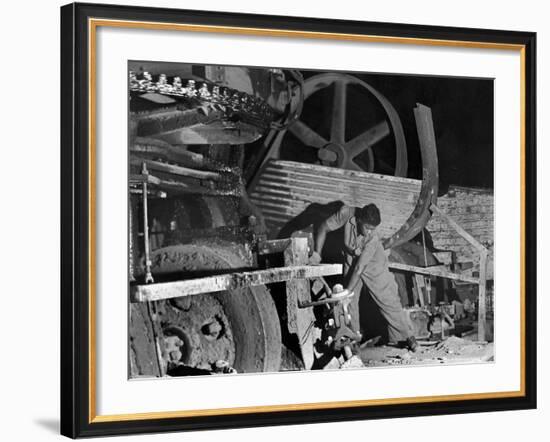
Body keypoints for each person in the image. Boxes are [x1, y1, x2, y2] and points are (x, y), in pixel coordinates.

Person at [310, 203, 418, 351]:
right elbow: (323, 227)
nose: (368, 232)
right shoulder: (346, 213)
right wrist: (317, 253)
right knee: (350, 302)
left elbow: (360, 268)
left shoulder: (372, 239)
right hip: (351, 257)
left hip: (373, 262)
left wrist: (347, 291)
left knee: (387, 297)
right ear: (359, 219)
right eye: (367, 227)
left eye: (372, 229)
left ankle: (407, 336)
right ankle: (353, 338)